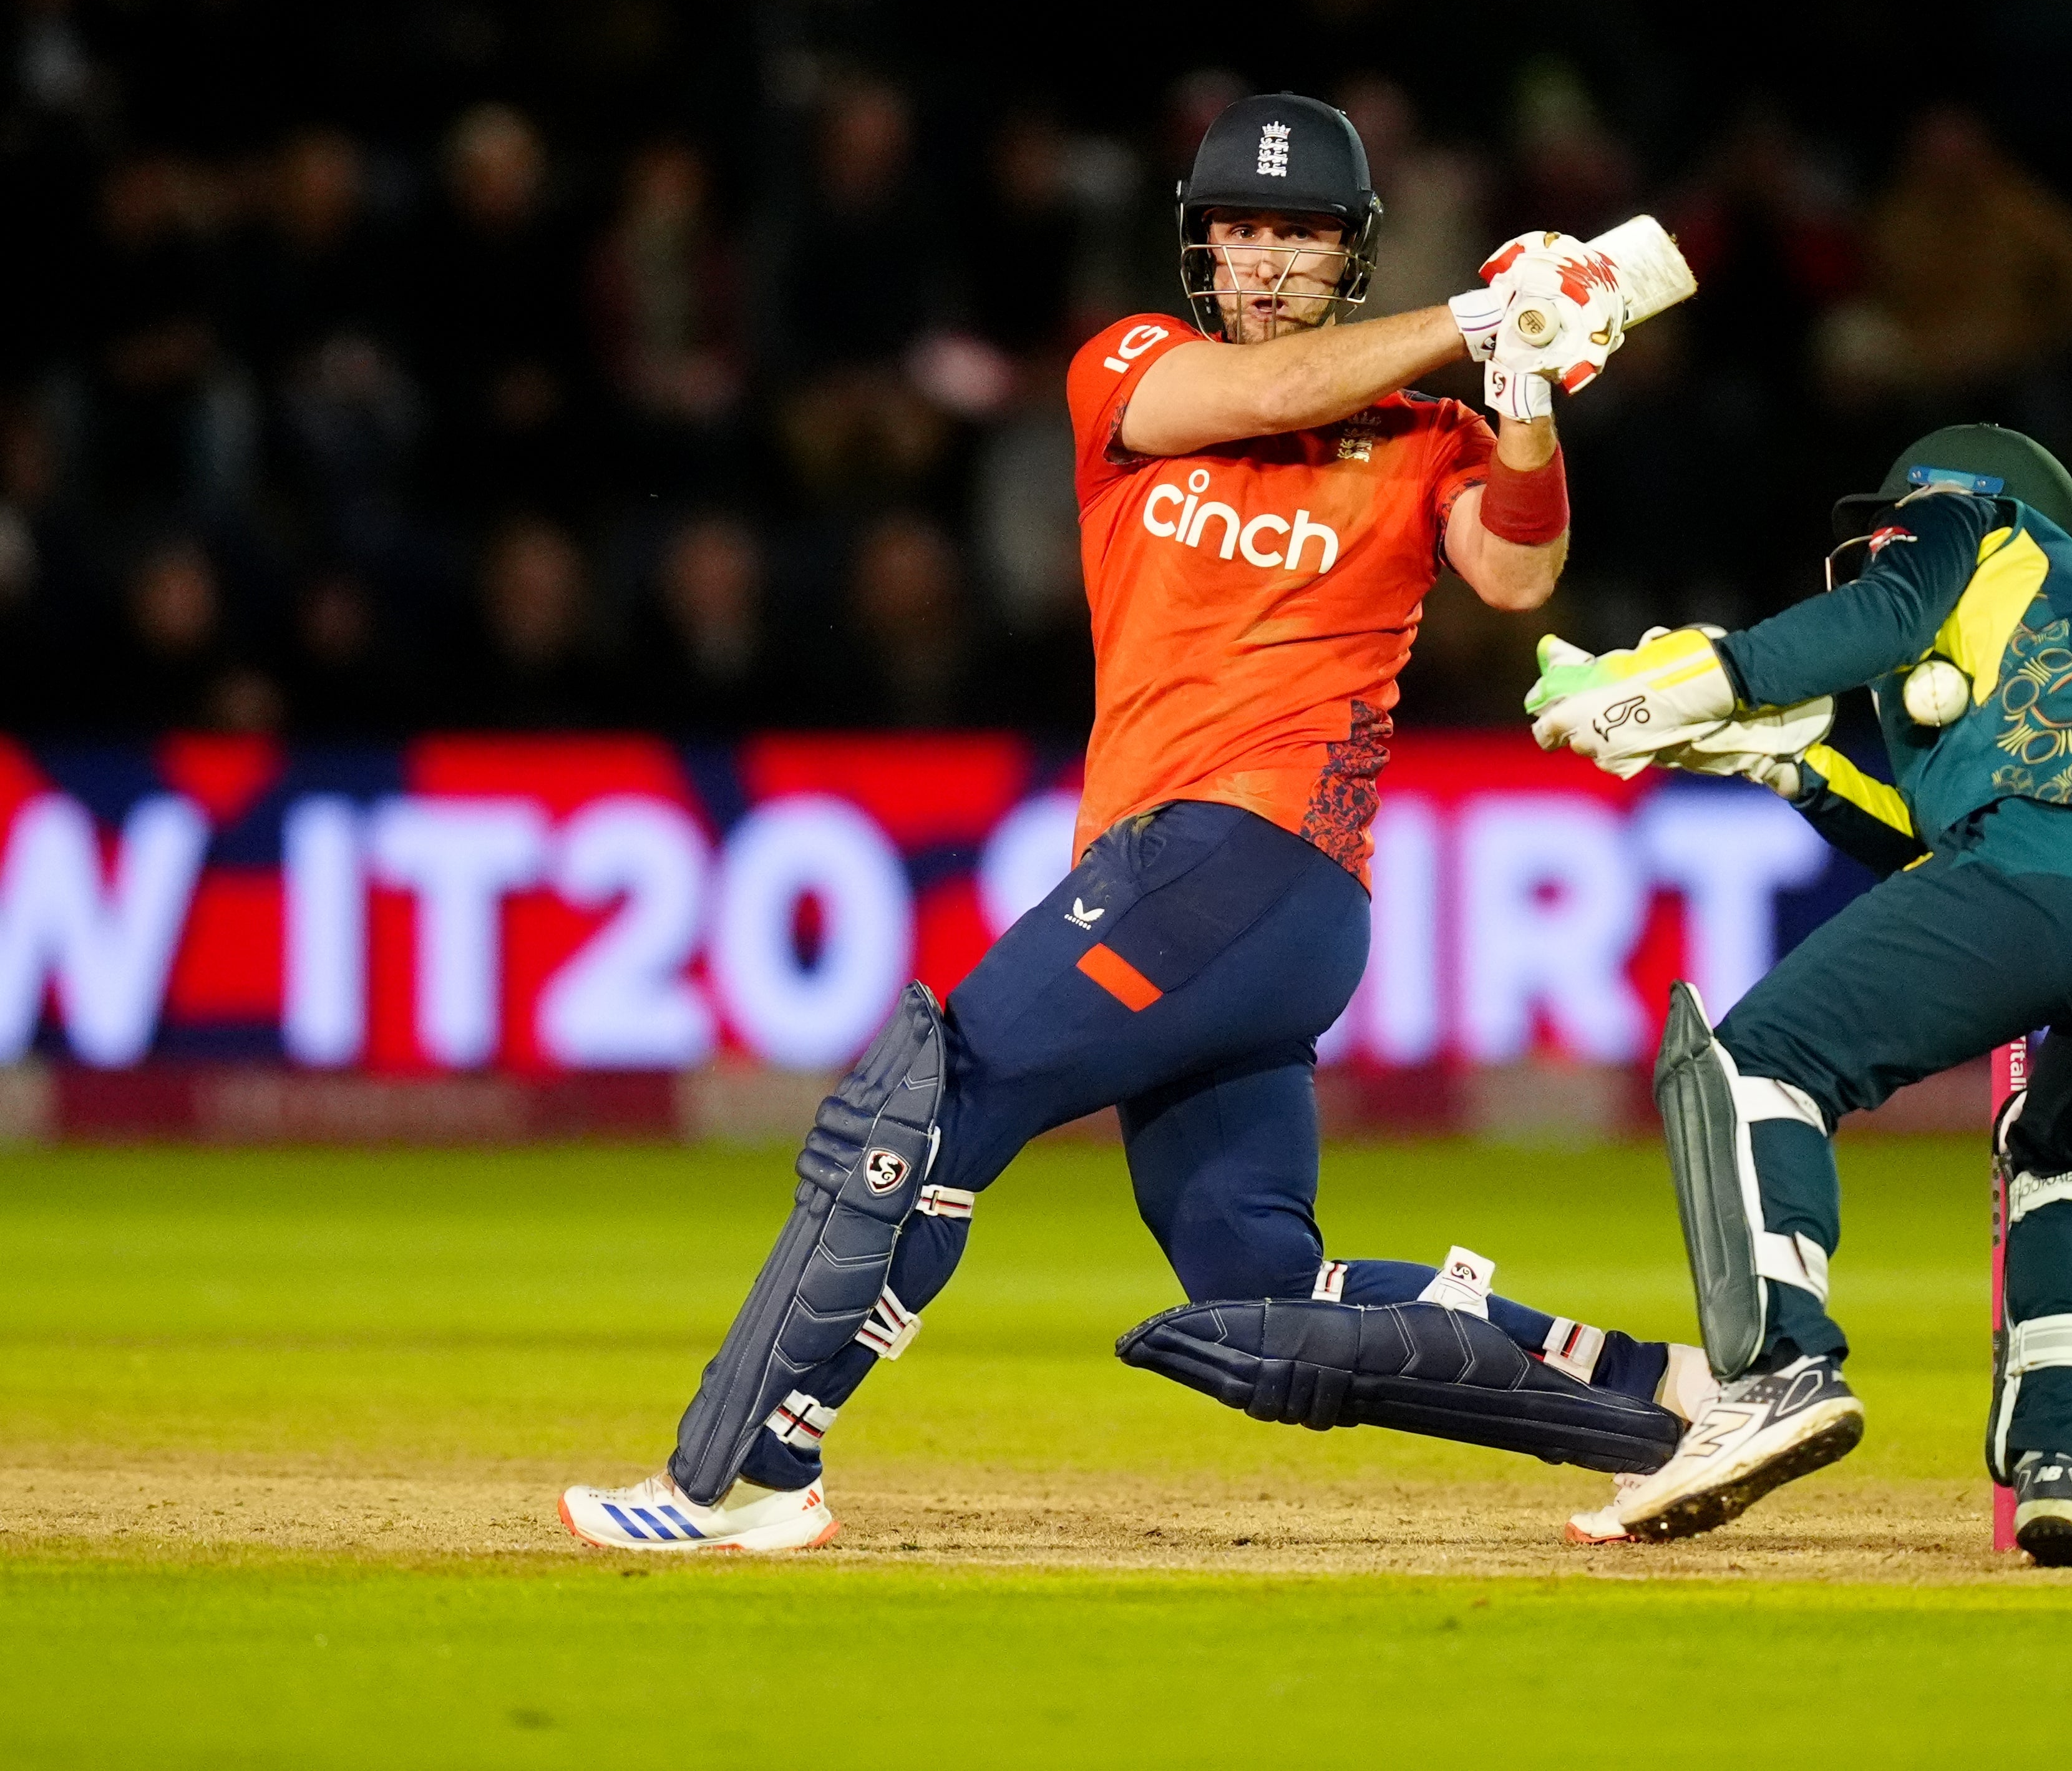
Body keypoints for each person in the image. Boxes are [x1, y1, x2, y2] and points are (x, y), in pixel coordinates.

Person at [562, 92, 1705, 1553]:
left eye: (1301, 234)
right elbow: (1257, 398)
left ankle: (744, 1474)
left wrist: (1530, 383)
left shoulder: (1432, 432)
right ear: (1202, 251)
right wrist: (1482, 311)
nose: (1271, 261)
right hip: (1196, 888)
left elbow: (1519, 573)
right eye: (1244, 231)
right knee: (1264, 1295)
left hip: (1254, 859)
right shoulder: (1133, 367)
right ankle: (1677, 1400)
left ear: (1347, 254)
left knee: (933, 1095)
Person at [1525, 423, 2072, 1565]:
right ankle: (2062, 1467)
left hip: (2071, 858)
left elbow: (1884, 622)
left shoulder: (1966, 516)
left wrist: (1672, 683)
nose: (1882, 553)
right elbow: (1962, 855)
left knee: (1761, 1057)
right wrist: (1788, 765)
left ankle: (1777, 1374)